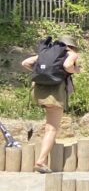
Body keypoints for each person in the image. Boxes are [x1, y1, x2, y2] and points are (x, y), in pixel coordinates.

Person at [20, 36, 81, 173]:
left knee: (49, 127)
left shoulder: (47, 52)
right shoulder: (70, 53)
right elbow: (67, 66)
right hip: (55, 94)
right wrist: (76, 70)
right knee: (52, 128)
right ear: (72, 46)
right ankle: (41, 161)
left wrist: (41, 72)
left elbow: (25, 62)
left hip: (40, 93)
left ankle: (45, 155)